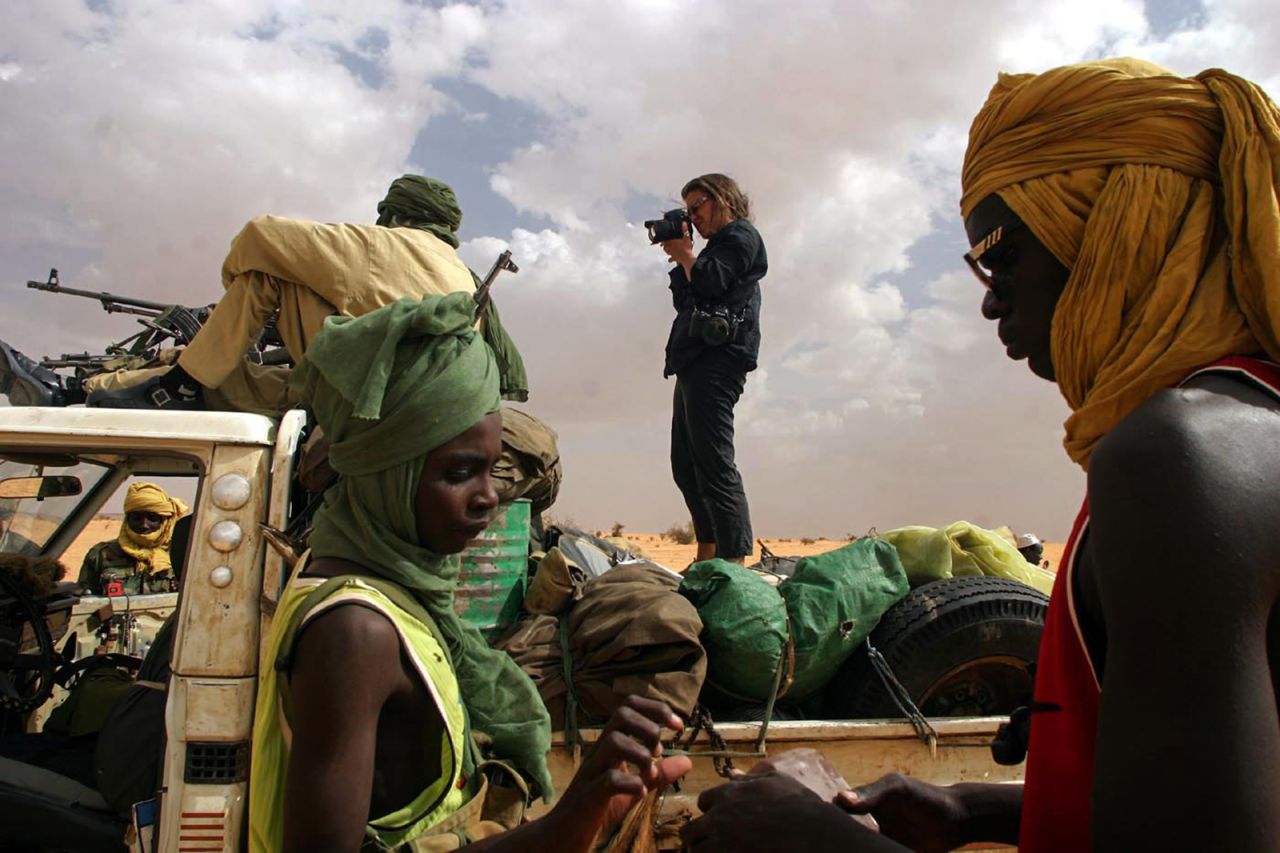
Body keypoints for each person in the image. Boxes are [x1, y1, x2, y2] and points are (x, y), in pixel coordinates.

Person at [684, 59, 1280, 852]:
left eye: (998, 256)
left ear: (1122, 225)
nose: (989, 297)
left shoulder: (1177, 460)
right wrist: (984, 808)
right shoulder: (1248, 422)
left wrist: (813, 839)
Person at [249, 292, 689, 851]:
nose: (488, 498)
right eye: (460, 472)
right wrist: (568, 822)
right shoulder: (356, 633)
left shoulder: (382, 591)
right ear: (390, 473)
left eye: (491, 471)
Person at [85, 174, 478, 414]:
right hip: (409, 397)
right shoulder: (463, 274)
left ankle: (177, 386)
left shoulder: (379, 245)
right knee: (254, 382)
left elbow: (260, 235)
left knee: (270, 269)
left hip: (364, 396)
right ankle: (92, 387)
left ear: (394, 213)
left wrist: (233, 291)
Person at [659, 173, 766, 564]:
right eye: (687, 211)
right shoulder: (711, 251)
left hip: (719, 361)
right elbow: (688, 301)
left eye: (696, 207)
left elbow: (710, 283)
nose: (692, 217)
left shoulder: (741, 238)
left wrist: (688, 256)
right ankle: (708, 551)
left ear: (722, 199)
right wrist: (682, 260)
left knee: (715, 464)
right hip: (694, 360)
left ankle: (734, 562)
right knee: (686, 465)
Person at [78, 482, 188, 596]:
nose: (144, 525)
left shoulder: (181, 554)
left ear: (164, 522)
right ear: (127, 519)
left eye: (152, 518)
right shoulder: (101, 555)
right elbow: (85, 600)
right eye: (136, 518)